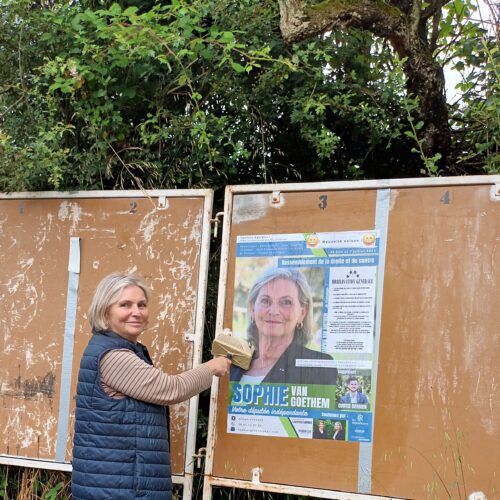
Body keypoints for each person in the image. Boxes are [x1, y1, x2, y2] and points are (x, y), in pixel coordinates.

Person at [71, 273, 231, 500]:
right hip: (119, 489)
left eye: (142, 304)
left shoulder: (120, 348)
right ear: (106, 311)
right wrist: (212, 368)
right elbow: (170, 389)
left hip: (118, 485)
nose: (136, 312)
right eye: (125, 304)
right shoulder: (113, 356)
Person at [230, 267, 337, 384]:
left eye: (286, 302)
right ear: (252, 309)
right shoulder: (233, 363)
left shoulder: (319, 366)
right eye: (265, 301)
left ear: (302, 313)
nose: (274, 311)